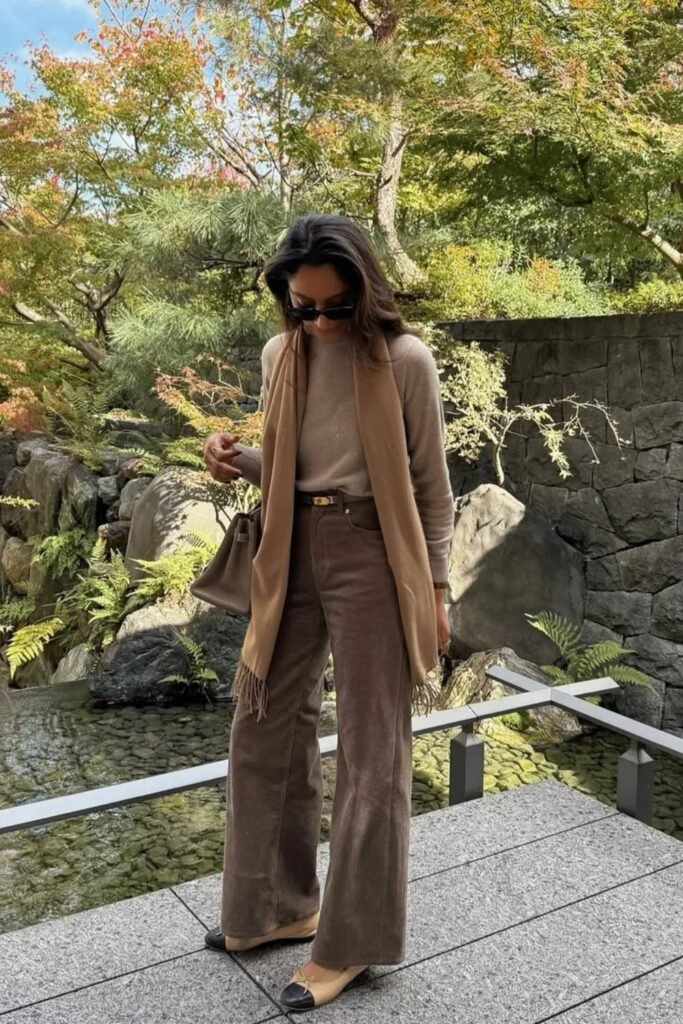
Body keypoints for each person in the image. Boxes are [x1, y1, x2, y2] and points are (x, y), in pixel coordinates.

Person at [201, 212, 454, 1012]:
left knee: (373, 747)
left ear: (364, 291)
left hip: (375, 554)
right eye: (301, 305)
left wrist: (439, 591)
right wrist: (231, 459)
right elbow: (289, 463)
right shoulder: (282, 354)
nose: (316, 321)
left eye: (332, 307)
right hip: (289, 544)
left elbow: (429, 490)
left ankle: (350, 943)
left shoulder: (405, 362)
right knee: (264, 721)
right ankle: (276, 906)